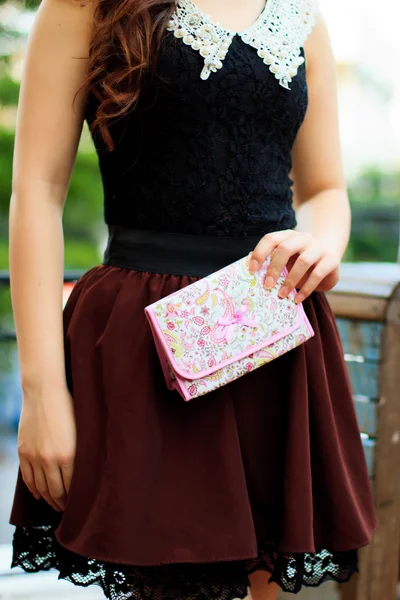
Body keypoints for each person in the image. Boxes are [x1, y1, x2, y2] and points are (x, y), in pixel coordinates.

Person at [8, 0, 377, 598]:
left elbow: (326, 189)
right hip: (143, 344)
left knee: (264, 584)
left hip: (271, 329)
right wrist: (42, 392)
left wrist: (323, 244)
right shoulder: (84, 6)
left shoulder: (300, 15)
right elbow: (37, 192)